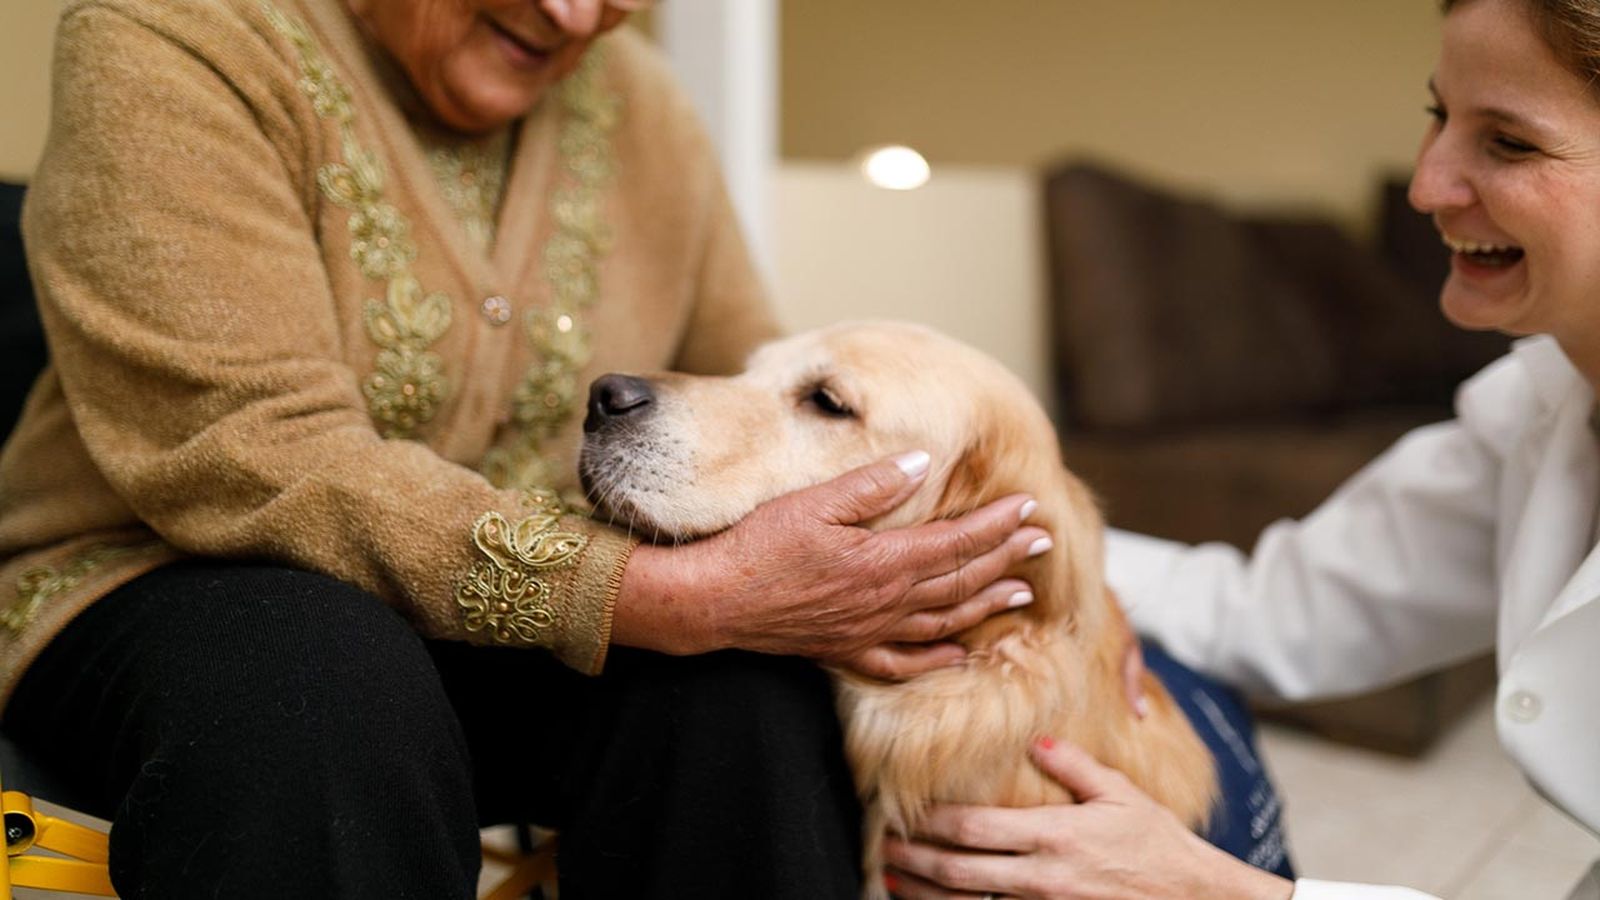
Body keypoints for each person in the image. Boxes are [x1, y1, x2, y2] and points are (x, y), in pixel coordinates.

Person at [0, 0, 1053, 896]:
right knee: (317, 678)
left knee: (742, 698)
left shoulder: (644, 105)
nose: (574, 13)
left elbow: (744, 399)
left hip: (530, 634)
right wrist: (674, 597)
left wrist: (1059, 624)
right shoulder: (175, 37)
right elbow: (244, 448)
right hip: (163, 583)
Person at [879, 0, 1600, 898]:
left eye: (1511, 143)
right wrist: (1006, 548)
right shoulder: (1537, 412)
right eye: (1437, 114)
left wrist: (1221, 890)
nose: (1426, 186)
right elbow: (1269, 612)